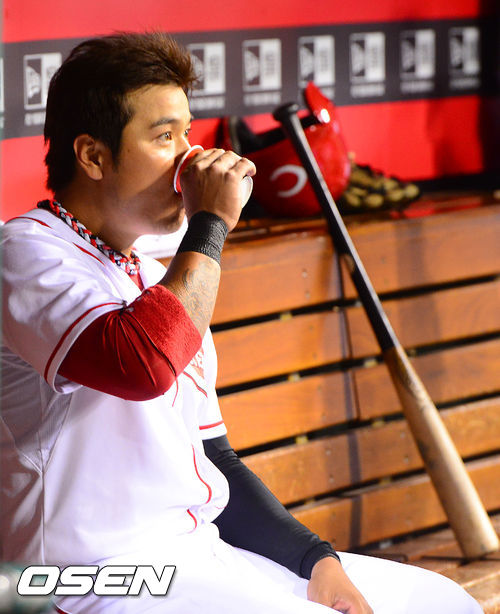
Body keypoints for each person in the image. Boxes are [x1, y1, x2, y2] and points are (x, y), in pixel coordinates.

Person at [1, 32, 483, 614]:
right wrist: (209, 224)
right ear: (93, 156)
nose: (191, 159)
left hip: (197, 554)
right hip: (88, 581)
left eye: (188, 133)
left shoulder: (158, 273)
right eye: (164, 137)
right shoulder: (26, 252)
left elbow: (215, 459)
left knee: (438, 602)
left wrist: (315, 560)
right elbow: (139, 365)